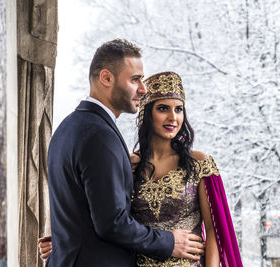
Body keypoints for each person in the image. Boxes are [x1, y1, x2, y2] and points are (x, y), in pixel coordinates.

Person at [41, 71, 243, 266]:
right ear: (146, 113)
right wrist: (64, 242)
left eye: (179, 109)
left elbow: (215, 231)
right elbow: (110, 221)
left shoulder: (199, 163)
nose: (173, 117)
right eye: (163, 108)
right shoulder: (129, 166)